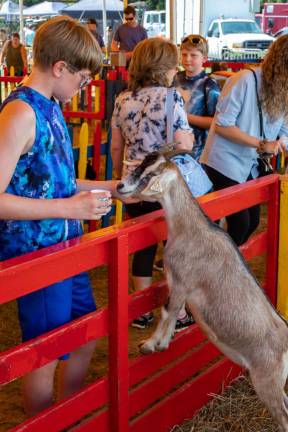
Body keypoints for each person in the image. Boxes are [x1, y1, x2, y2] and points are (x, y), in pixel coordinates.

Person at [0, 16, 122, 416]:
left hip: (65, 247)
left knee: (84, 333)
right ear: (59, 68)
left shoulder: (50, 106)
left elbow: (58, 182)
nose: (83, 87)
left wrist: (108, 186)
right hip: (37, 255)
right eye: (82, 79)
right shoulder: (19, 113)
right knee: (45, 351)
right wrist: (71, 208)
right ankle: (43, 423)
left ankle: (69, 412)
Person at [111, 37, 194, 331]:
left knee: (143, 247)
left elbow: (116, 149)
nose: (176, 69)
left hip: (135, 185)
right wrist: (191, 139)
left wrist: (122, 177)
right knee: (173, 248)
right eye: (173, 64)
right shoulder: (172, 98)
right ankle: (178, 312)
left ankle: (139, 311)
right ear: (164, 67)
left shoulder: (122, 99)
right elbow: (184, 144)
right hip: (164, 186)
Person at [201, 35, 288, 246]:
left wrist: (280, 142)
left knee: (253, 222)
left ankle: (227, 265)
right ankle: (222, 268)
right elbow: (222, 125)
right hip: (223, 160)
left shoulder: (283, 89)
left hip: (250, 164)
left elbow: (284, 128)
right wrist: (260, 144)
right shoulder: (243, 80)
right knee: (240, 222)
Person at [174, 34, 220, 161]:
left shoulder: (209, 85)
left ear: (204, 58)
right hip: (173, 146)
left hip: (197, 152)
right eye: (184, 54)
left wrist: (183, 116)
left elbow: (216, 122)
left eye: (193, 55)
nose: (187, 59)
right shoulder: (174, 78)